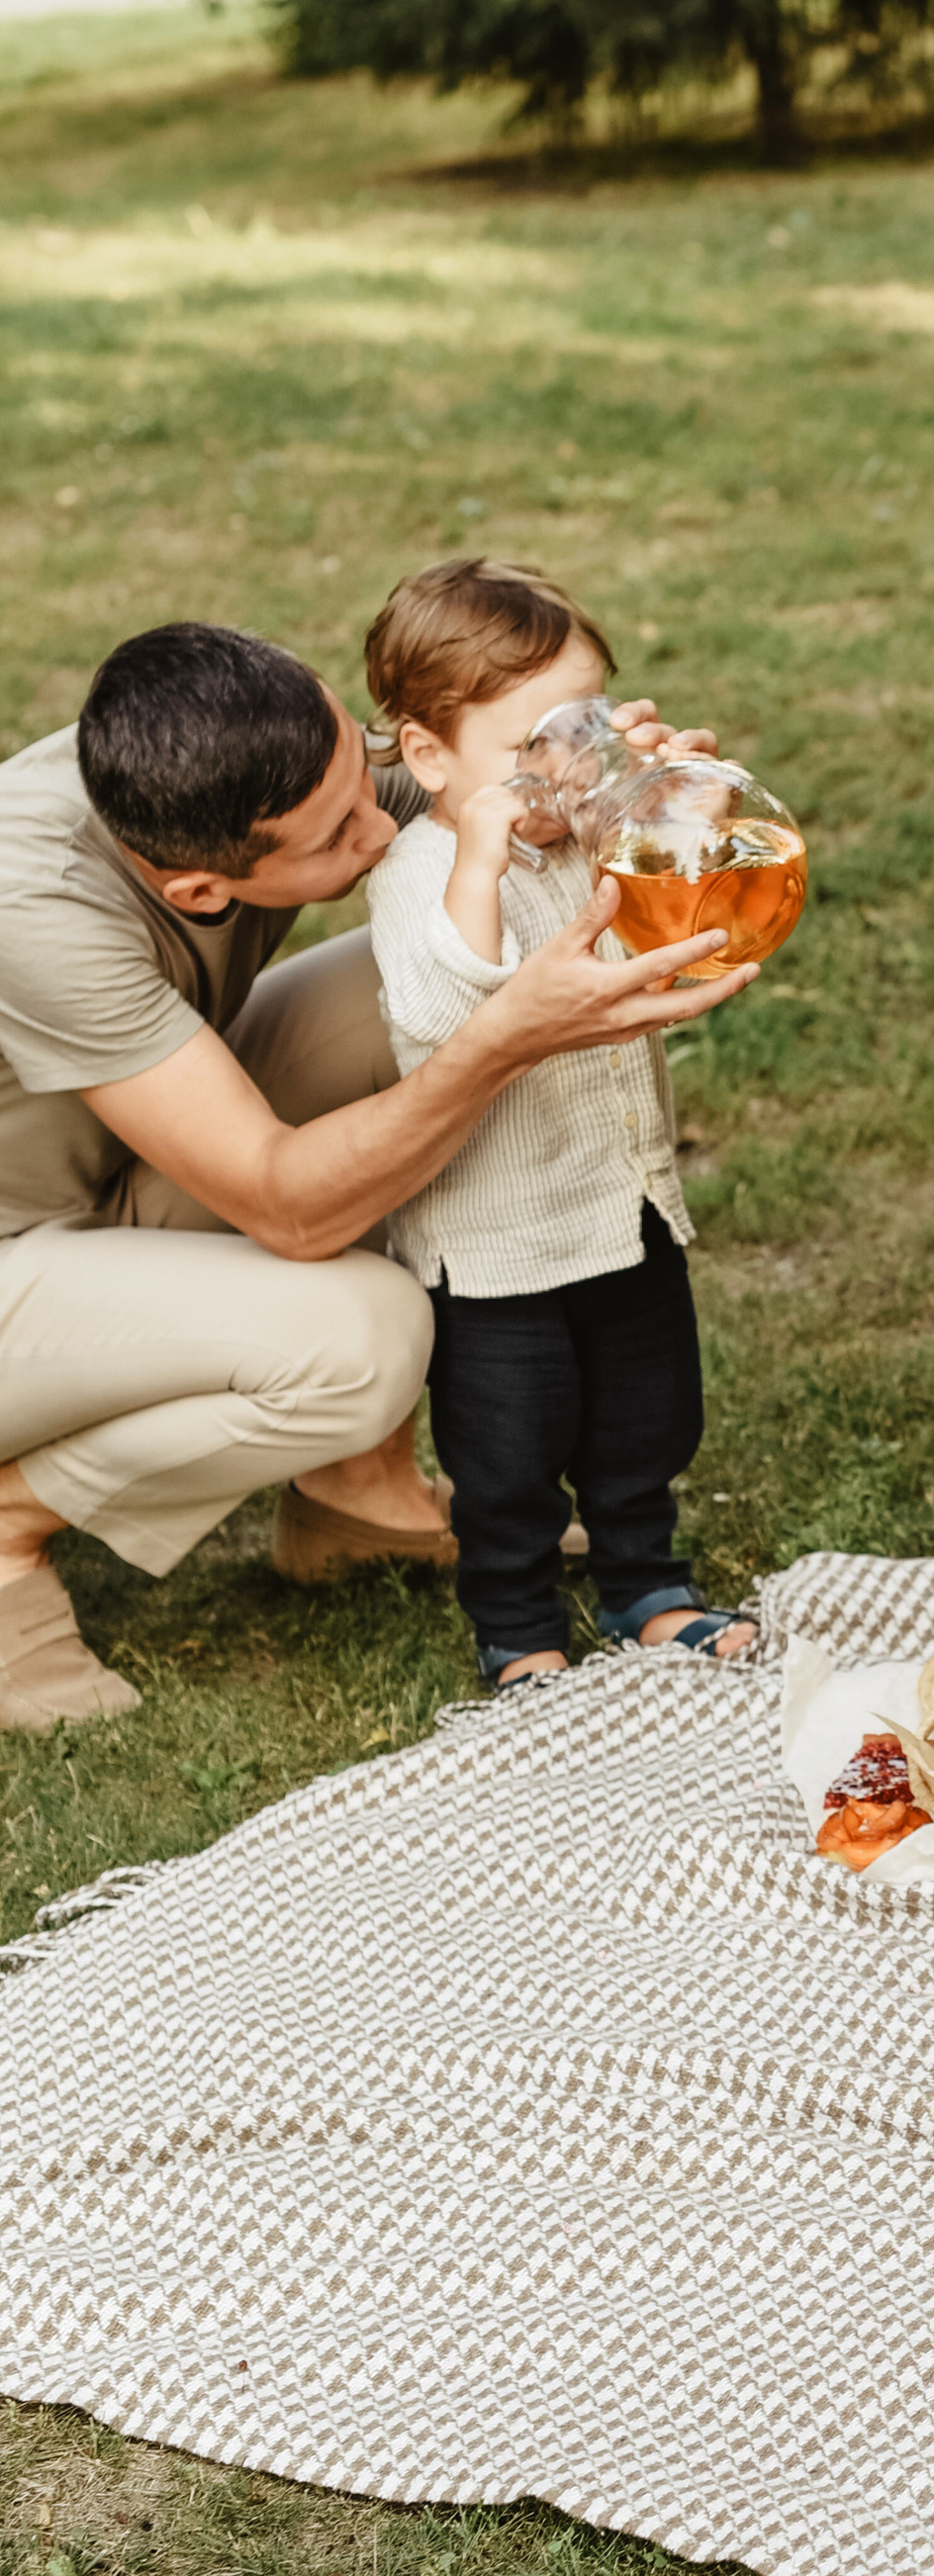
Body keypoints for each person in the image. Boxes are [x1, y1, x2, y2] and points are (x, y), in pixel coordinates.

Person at [0, 617, 754, 1733]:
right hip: (20, 1245)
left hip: (116, 1149)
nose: (381, 812)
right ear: (202, 889)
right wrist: (502, 1043)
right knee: (362, 1341)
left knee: (440, 974)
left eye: (366, 762)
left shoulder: (211, 754)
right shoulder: (32, 903)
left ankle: (353, 1496)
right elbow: (289, 1206)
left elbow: (473, 814)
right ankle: (11, 1524)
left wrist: (598, 783)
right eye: (340, 827)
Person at [362, 559, 756, 1685]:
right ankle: (516, 1621)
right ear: (431, 756)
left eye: (581, 733)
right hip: (496, 1244)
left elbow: (676, 932)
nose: (563, 770)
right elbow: (449, 1008)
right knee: (506, 1451)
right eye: (529, 746)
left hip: (617, 1202)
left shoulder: (589, 836)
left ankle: (645, 1581)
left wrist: (685, 813)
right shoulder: (422, 870)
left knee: (647, 1414)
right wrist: (485, 851)